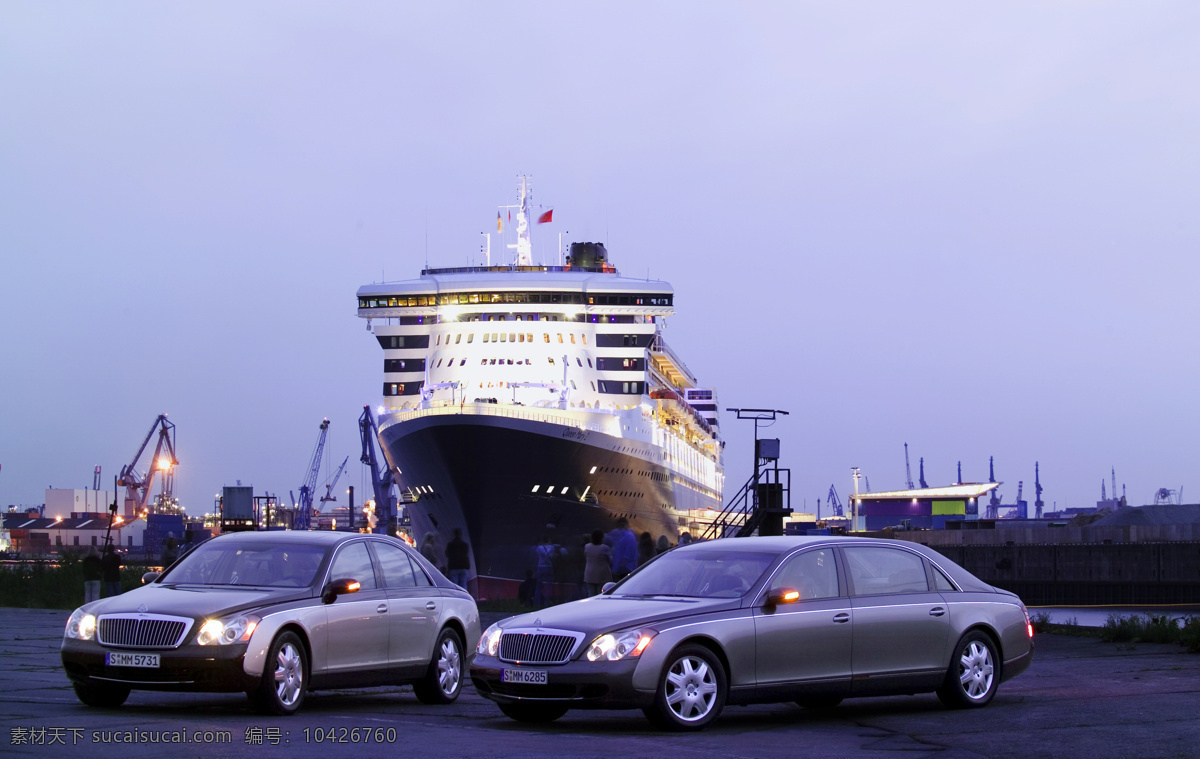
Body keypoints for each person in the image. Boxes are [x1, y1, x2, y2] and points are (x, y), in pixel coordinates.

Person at [533, 536, 564, 607]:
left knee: (538, 586)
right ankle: (547, 603)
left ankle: (536, 604)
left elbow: (537, 555)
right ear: (548, 540)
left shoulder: (539, 547)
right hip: (549, 567)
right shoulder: (552, 548)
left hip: (540, 566)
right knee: (549, 586)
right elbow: (552, 556)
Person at [583, 529, 612, 596]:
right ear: (602, 537)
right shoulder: (605, 548)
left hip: (589, 574)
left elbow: (585, 557)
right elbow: (610, 560)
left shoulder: (587, 547)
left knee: (590, 594)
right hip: (602, 575)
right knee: (600, 594)